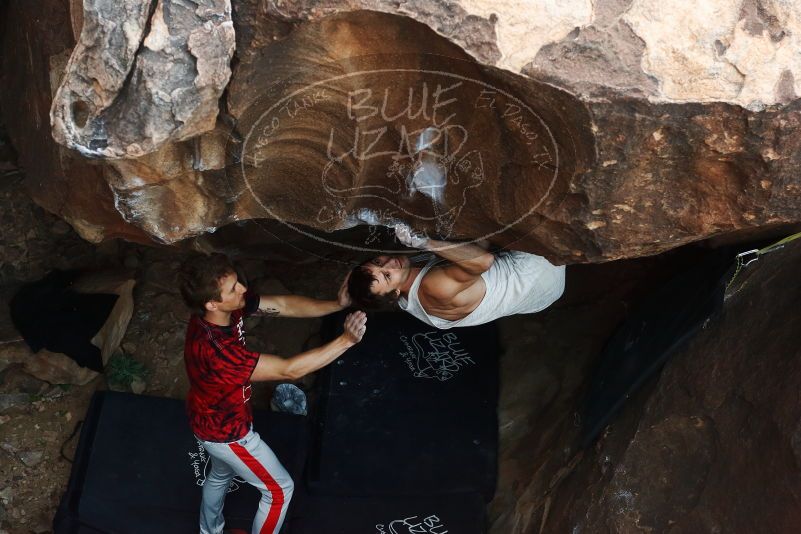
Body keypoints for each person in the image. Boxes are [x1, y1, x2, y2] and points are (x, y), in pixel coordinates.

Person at [179, 253, 365, 534]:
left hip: (206, 418)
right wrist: (346, 341)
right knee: (279, 491)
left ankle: (209, 531)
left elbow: (282, 304)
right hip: (228, 432)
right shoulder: (216, 352)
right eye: (233, 289)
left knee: (220, 474)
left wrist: (336, 305)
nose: (243, 288)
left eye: (237, 282)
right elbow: (288, 370)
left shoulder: (223, 311)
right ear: (212, 303)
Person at [347, 224, 565, 328]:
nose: (389, 264)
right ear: (394, 294)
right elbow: (483, 260)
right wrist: (426, 243)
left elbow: (479, 244)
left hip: (535, 298)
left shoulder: (409, 285)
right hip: (538, 271)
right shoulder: (432, 287)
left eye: (377, 262)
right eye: (386, 276)